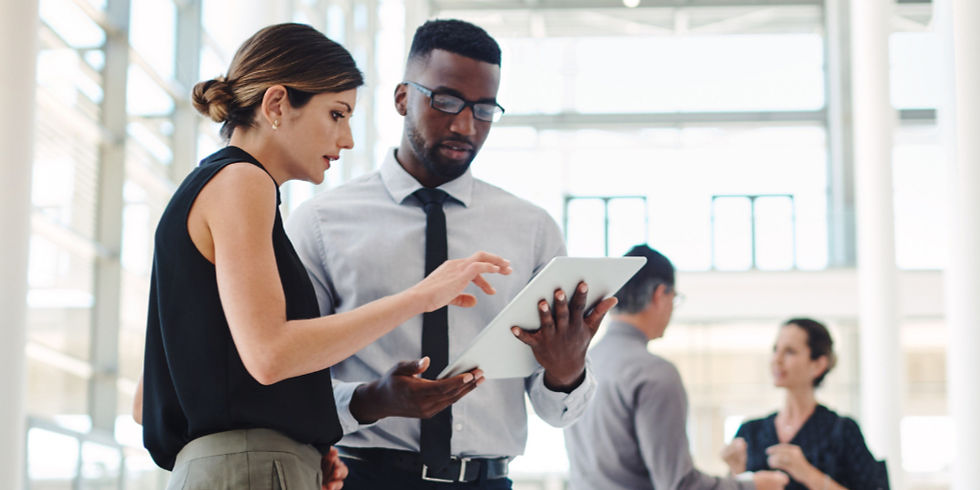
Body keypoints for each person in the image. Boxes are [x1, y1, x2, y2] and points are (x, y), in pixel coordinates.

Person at [139, 23, 510, 490]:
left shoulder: (207, 188)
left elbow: (145, 402)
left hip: (235, 467)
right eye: (337, 114)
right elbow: (270, 354)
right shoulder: (244, 181)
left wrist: (300, 445)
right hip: (249, 470)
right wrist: (421, 297)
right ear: (277, 105)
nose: (348, 139)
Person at [285, 18, 616, 489]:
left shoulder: (532, 229)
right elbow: (290, 376)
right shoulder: (321, 223)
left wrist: (567, 372)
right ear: (403, 98)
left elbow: (558, 413)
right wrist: (372, 399)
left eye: (484, 109)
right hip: (363, 478)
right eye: (445, 101)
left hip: (487, 480)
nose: (465, 125)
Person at [563, 245, 789, 490]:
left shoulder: (580, 363)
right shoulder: (654, 374)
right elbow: (679, 485)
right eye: (675, 299)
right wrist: (753, 486)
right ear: (660, 294)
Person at [721, 318, 890, 490]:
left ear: (818, 365)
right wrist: (736, 473)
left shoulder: (843, 431)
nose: (777, 359)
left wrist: (807, 473)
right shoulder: (750, 433)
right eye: (775, 350)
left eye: (790, 351)